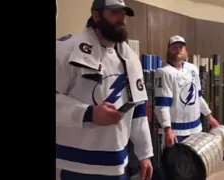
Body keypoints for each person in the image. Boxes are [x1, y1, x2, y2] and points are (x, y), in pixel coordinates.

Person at [55, 0, 153, 180]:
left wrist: (144, 153)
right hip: (74, 165)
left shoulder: (131, 59)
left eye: (124, 14)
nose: (121, 19)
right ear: (96, 15)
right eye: (114, 12)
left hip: (117, 165)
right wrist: (89, 114)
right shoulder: (65, 49)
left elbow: (138, 108)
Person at [154, 35, 220, 149]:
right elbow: (162, 105)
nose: (178, 49)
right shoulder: (163, 73)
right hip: (176, 132)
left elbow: (198, 97)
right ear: (168, 50)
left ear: (186, 50)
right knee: (177, 164)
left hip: (196, 128)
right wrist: (168, 129)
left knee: (195, 163)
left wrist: (209, 116)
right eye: (174, 47)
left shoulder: (193, 68)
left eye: (181, 47)